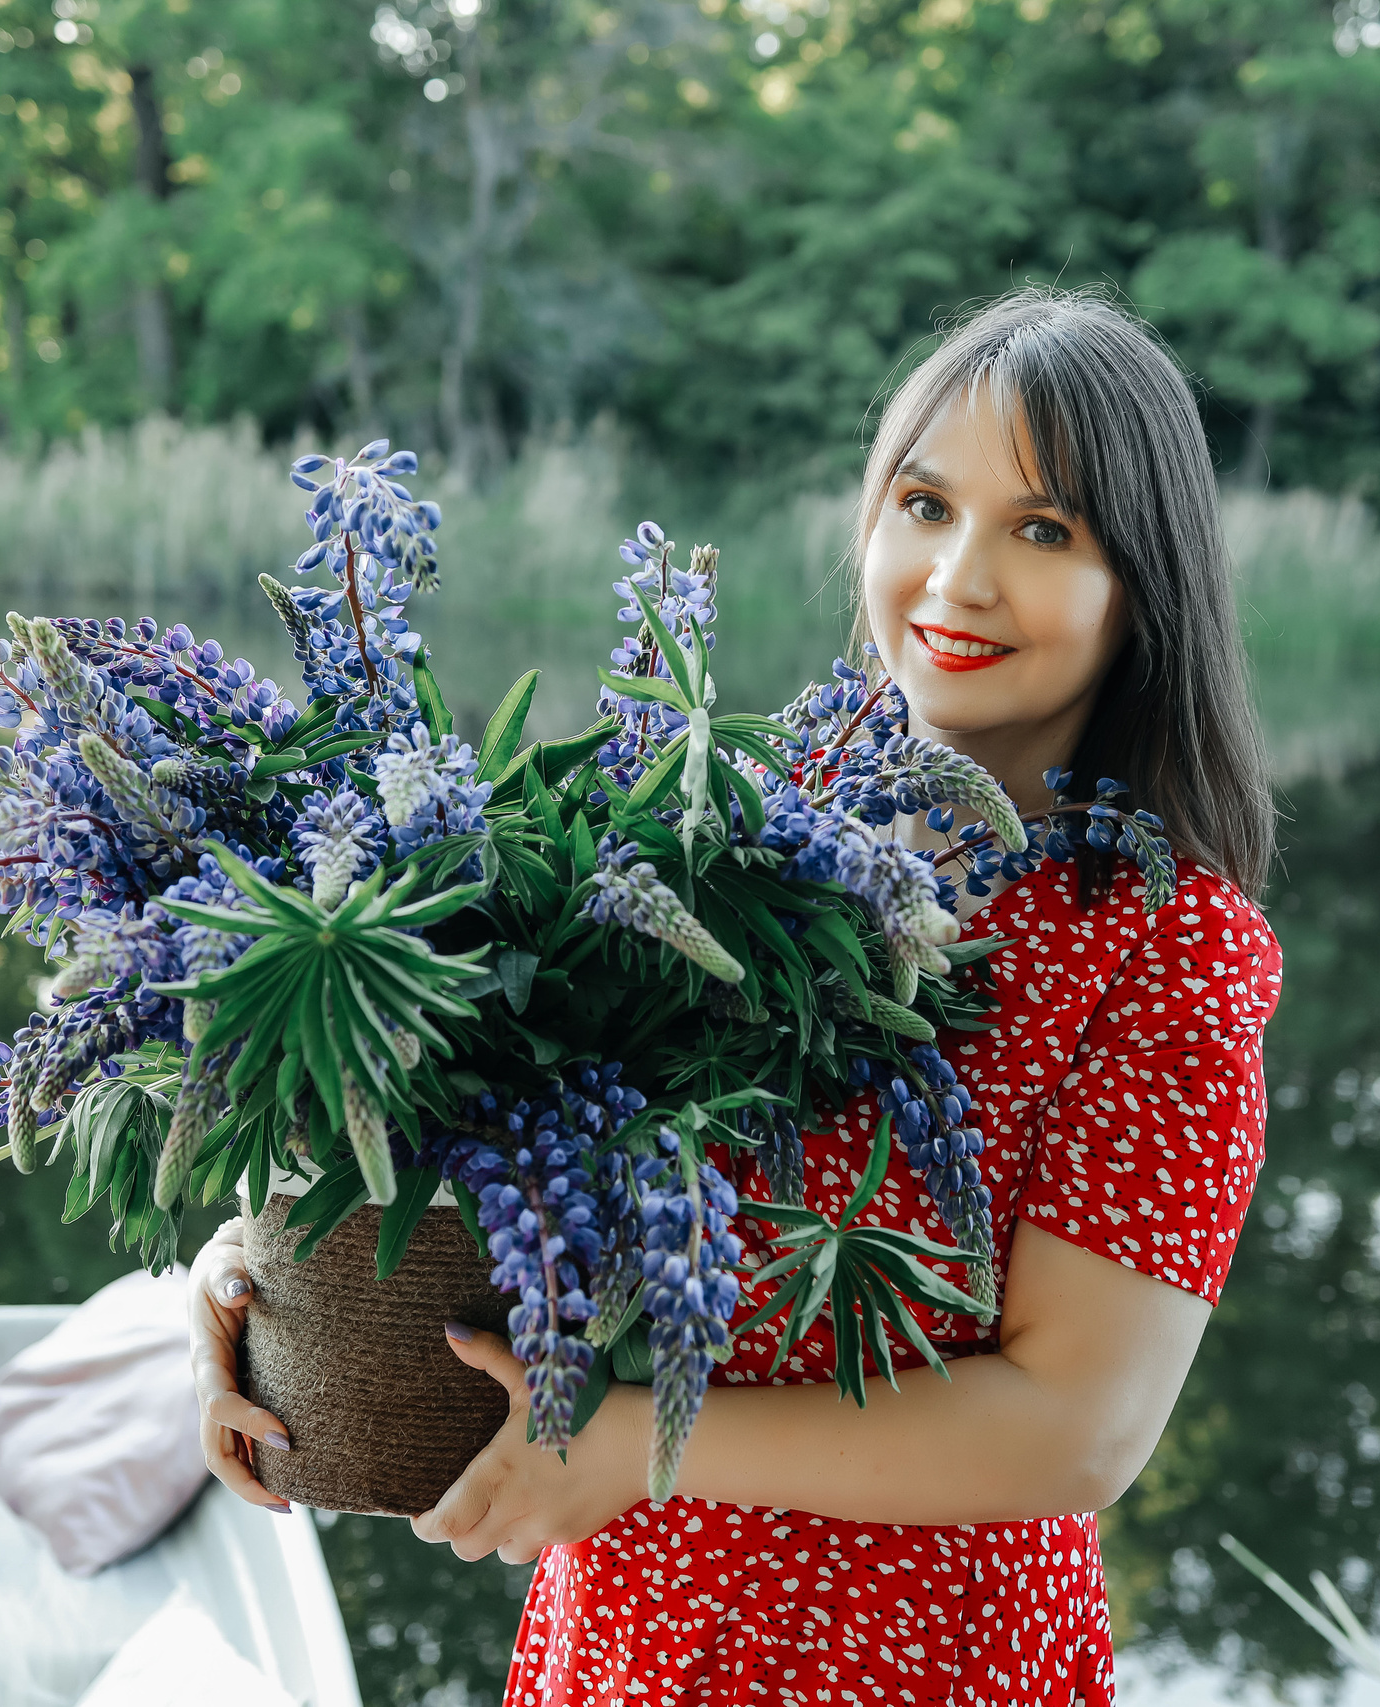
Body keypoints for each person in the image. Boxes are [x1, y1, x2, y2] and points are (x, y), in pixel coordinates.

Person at [186, 285, 1282, 1704]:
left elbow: (1079, 1428)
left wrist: (645, 1443)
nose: (956, 579)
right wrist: (254, 1295)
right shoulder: (739, 834)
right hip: (629, 1634)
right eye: (925, 506)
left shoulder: (1167, 946)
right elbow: (497, 1160)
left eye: (1045, 530)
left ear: (1147, 586)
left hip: (911, 1663)